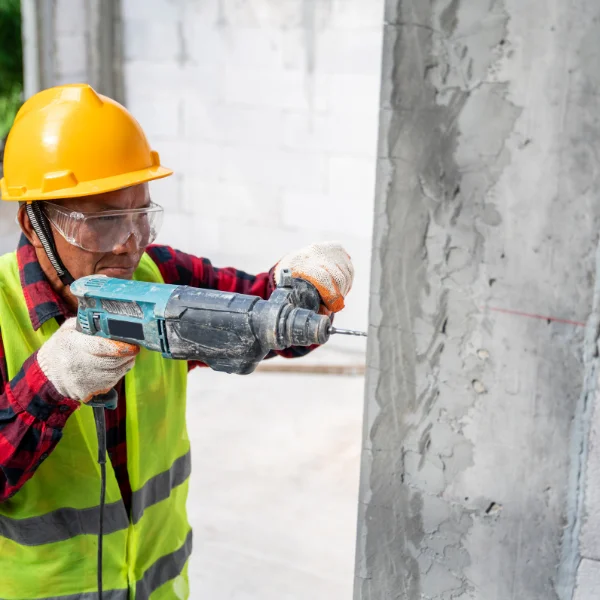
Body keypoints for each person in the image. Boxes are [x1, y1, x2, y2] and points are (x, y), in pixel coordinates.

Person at [0, 83, 354, 599]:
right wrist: (49, 387)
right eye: (101, 221)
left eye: (139, 214)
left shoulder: (157, 277)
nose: (127, 241)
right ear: (33, 223)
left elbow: (258, 316)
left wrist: (304, 286)